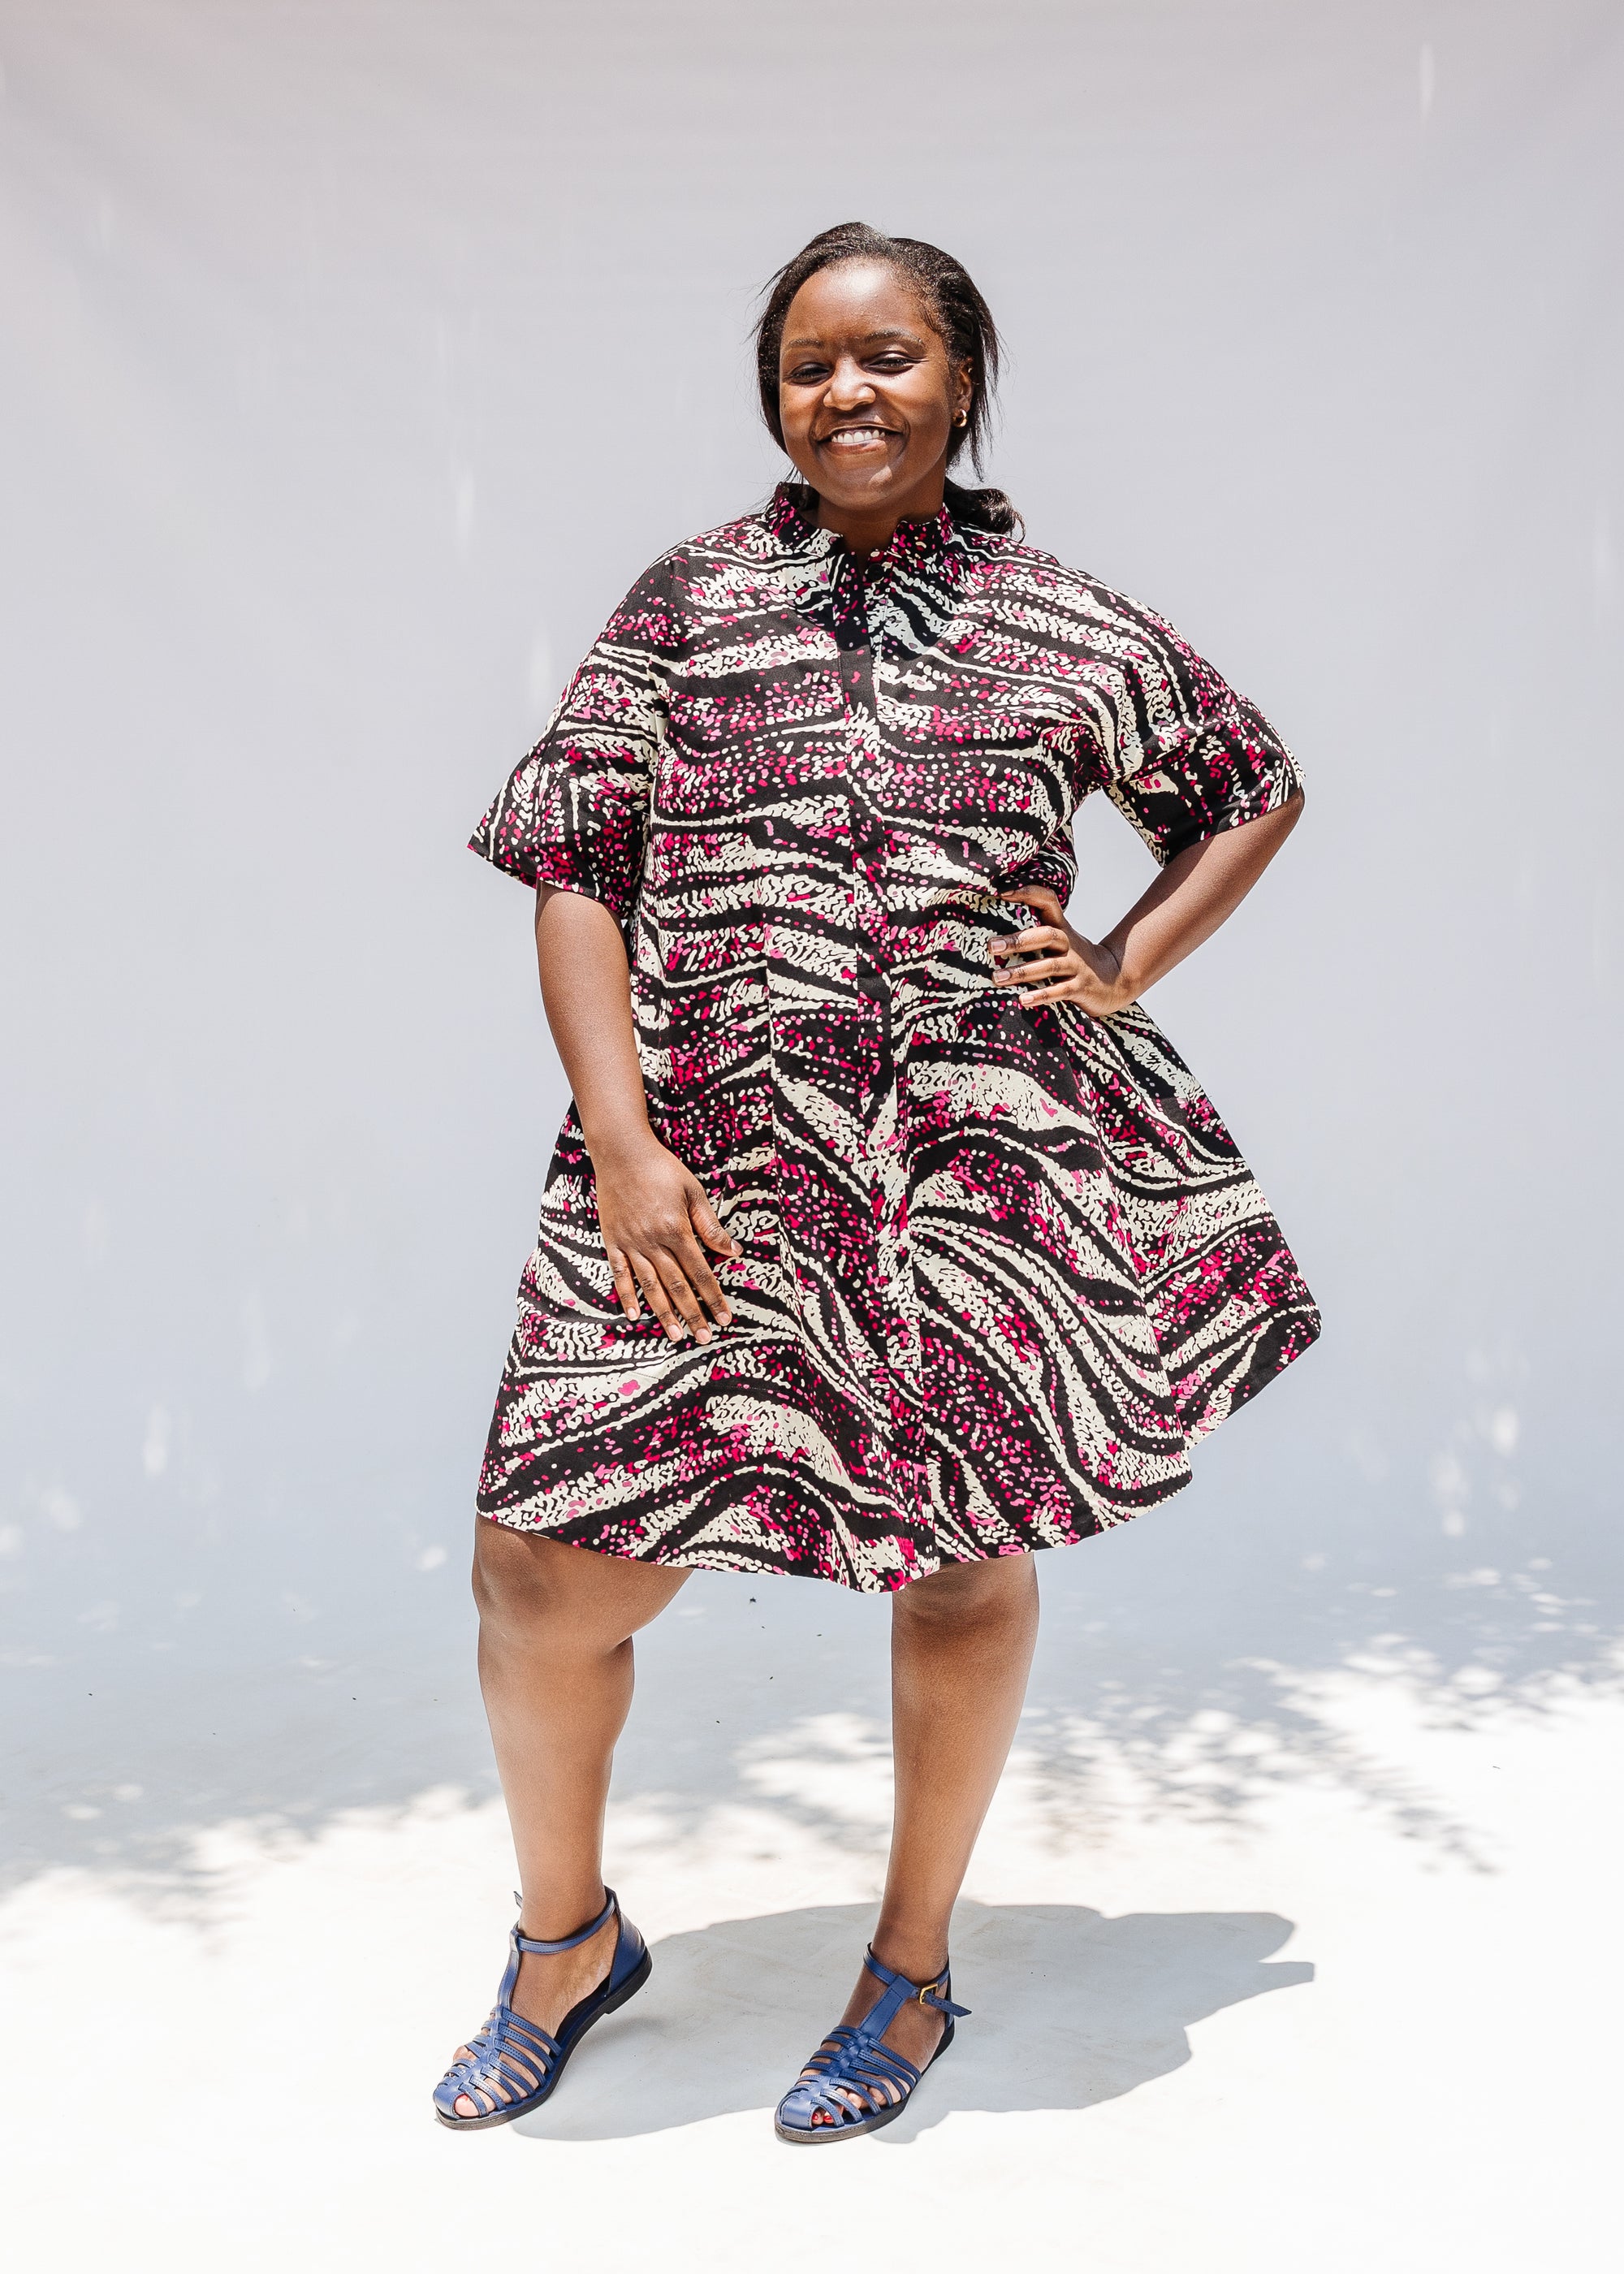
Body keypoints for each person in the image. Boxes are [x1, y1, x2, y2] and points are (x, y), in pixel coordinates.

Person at [433, 222, 1319, 2142]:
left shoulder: (1063, 621)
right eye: (810, 363)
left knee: (959, 1556)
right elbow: (577, 865)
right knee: (540, 1573)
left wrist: (1123, 963)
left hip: (970, 1168)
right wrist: (622, 1142)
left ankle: (908, 1965)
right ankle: (564, 1940)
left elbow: (1246, 784)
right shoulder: (687, 601)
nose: (847, 391)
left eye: (889, 355)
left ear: (960, 378)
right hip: (702, 1171)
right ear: (776, 392)